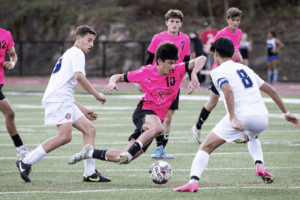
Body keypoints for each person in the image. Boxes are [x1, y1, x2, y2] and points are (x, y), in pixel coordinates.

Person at [174, 37, 299, 192]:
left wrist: (232, 118)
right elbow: (271, 90)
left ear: (217, 53)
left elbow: (228, 89)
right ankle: (259, 166)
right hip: (262, 118)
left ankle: (193, 182)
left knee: (205, 147)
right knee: (252, 135)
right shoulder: (246, 68)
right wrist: (286, 113)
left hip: (242, 117)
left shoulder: (218, 71)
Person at [68, 42, 207, 168]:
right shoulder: (145, 72)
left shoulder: (178, 70)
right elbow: (117, 76)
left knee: (122, 156)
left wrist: (194, 74)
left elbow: (202, 58)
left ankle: (89, 152)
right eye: (170, 63)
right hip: (144, 112)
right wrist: (112, 82)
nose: (172, 66)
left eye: (174, 63)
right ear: (159, 61)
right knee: (159, 128)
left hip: (155, 120)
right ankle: (131, 152)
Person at [15, 25, 111, 183]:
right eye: (89, 40)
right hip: (59, 99)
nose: (91, 44)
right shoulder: (78, 53)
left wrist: (82, 109)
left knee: (89, 130)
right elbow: (79, 77)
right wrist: (96, 94)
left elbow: (65, 86)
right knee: (65, 136)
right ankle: (26, 162)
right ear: (78, 39)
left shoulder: (70, 53)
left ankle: (90, 173)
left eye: (93, 41)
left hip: (63, 98)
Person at [141, 9, 191, 159]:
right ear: (166, 23)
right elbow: (149, 58)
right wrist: (141, 78)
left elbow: (187, 62)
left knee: (169, 115)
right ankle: (140, 138)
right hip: (158, 80)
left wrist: (192, 77)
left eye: (177, 21)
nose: (174, 24)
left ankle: (160, 149)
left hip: (174, 82)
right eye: (172, 21)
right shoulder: (158, 38)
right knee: (157, 114)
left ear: (181, 24)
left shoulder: (186, 39)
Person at [191, 7, 243, 144]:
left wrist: (239, 57)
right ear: (228, 20)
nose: (235, 23)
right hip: (220, 72)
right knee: (212, 102)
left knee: (236, 100)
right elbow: (208, 49)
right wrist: (224, 56)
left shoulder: (239, 33)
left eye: (238, 20)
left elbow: (236, 49)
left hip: (233, 71)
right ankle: (197, 127)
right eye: (233, 20)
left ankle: (234, 131)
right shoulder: (221, 33)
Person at [0, 28, 32, 158]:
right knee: (10, 113)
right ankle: (20, 148)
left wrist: (12, 63)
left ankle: (20, 148)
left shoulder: (5, 34)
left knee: (10, 114)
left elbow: (13, 54)